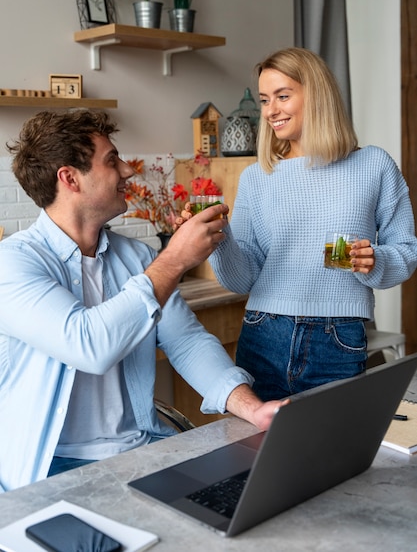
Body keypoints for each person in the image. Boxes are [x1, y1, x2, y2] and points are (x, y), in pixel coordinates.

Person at [0, 110, 288, 493]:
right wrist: (174, 260)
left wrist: (254, 409)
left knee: (253, 498)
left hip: (140, 447)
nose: (127, 171)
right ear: (70, 178)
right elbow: (88, 344)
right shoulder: (14, 262)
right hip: (53, 465)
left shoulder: (134, 257)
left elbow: (186, 342)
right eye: (111, 161)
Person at [206, 47, 417, 402]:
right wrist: (219, 237)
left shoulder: (372, 165)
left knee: (335, 450)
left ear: (317, 95)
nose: (271, 110)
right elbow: (243, 278)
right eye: (264, 100)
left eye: (283, 96)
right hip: (263, 331)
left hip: (338, 337)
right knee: (260, 453)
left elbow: (407, 251)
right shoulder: (258, 177)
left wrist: (374, 260)